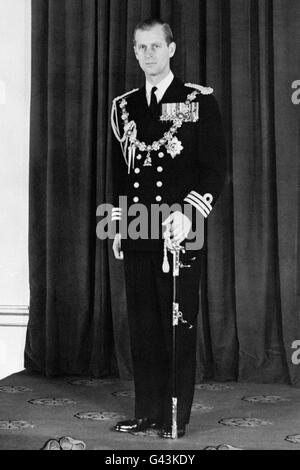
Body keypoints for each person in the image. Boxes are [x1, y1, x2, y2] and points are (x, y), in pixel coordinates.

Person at [110, 18, 226, 438]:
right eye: (141, 48)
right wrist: (119, 226)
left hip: (181, 227)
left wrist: (190, 214)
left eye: (156, 46)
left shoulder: (195, 100)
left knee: (176, 324)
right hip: (140, 227)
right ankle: (146, 413)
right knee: (142, 326)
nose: (148, 55)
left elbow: (215, 171)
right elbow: (120, 173)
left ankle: (175, 417)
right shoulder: (125, 106)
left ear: (171, 49)